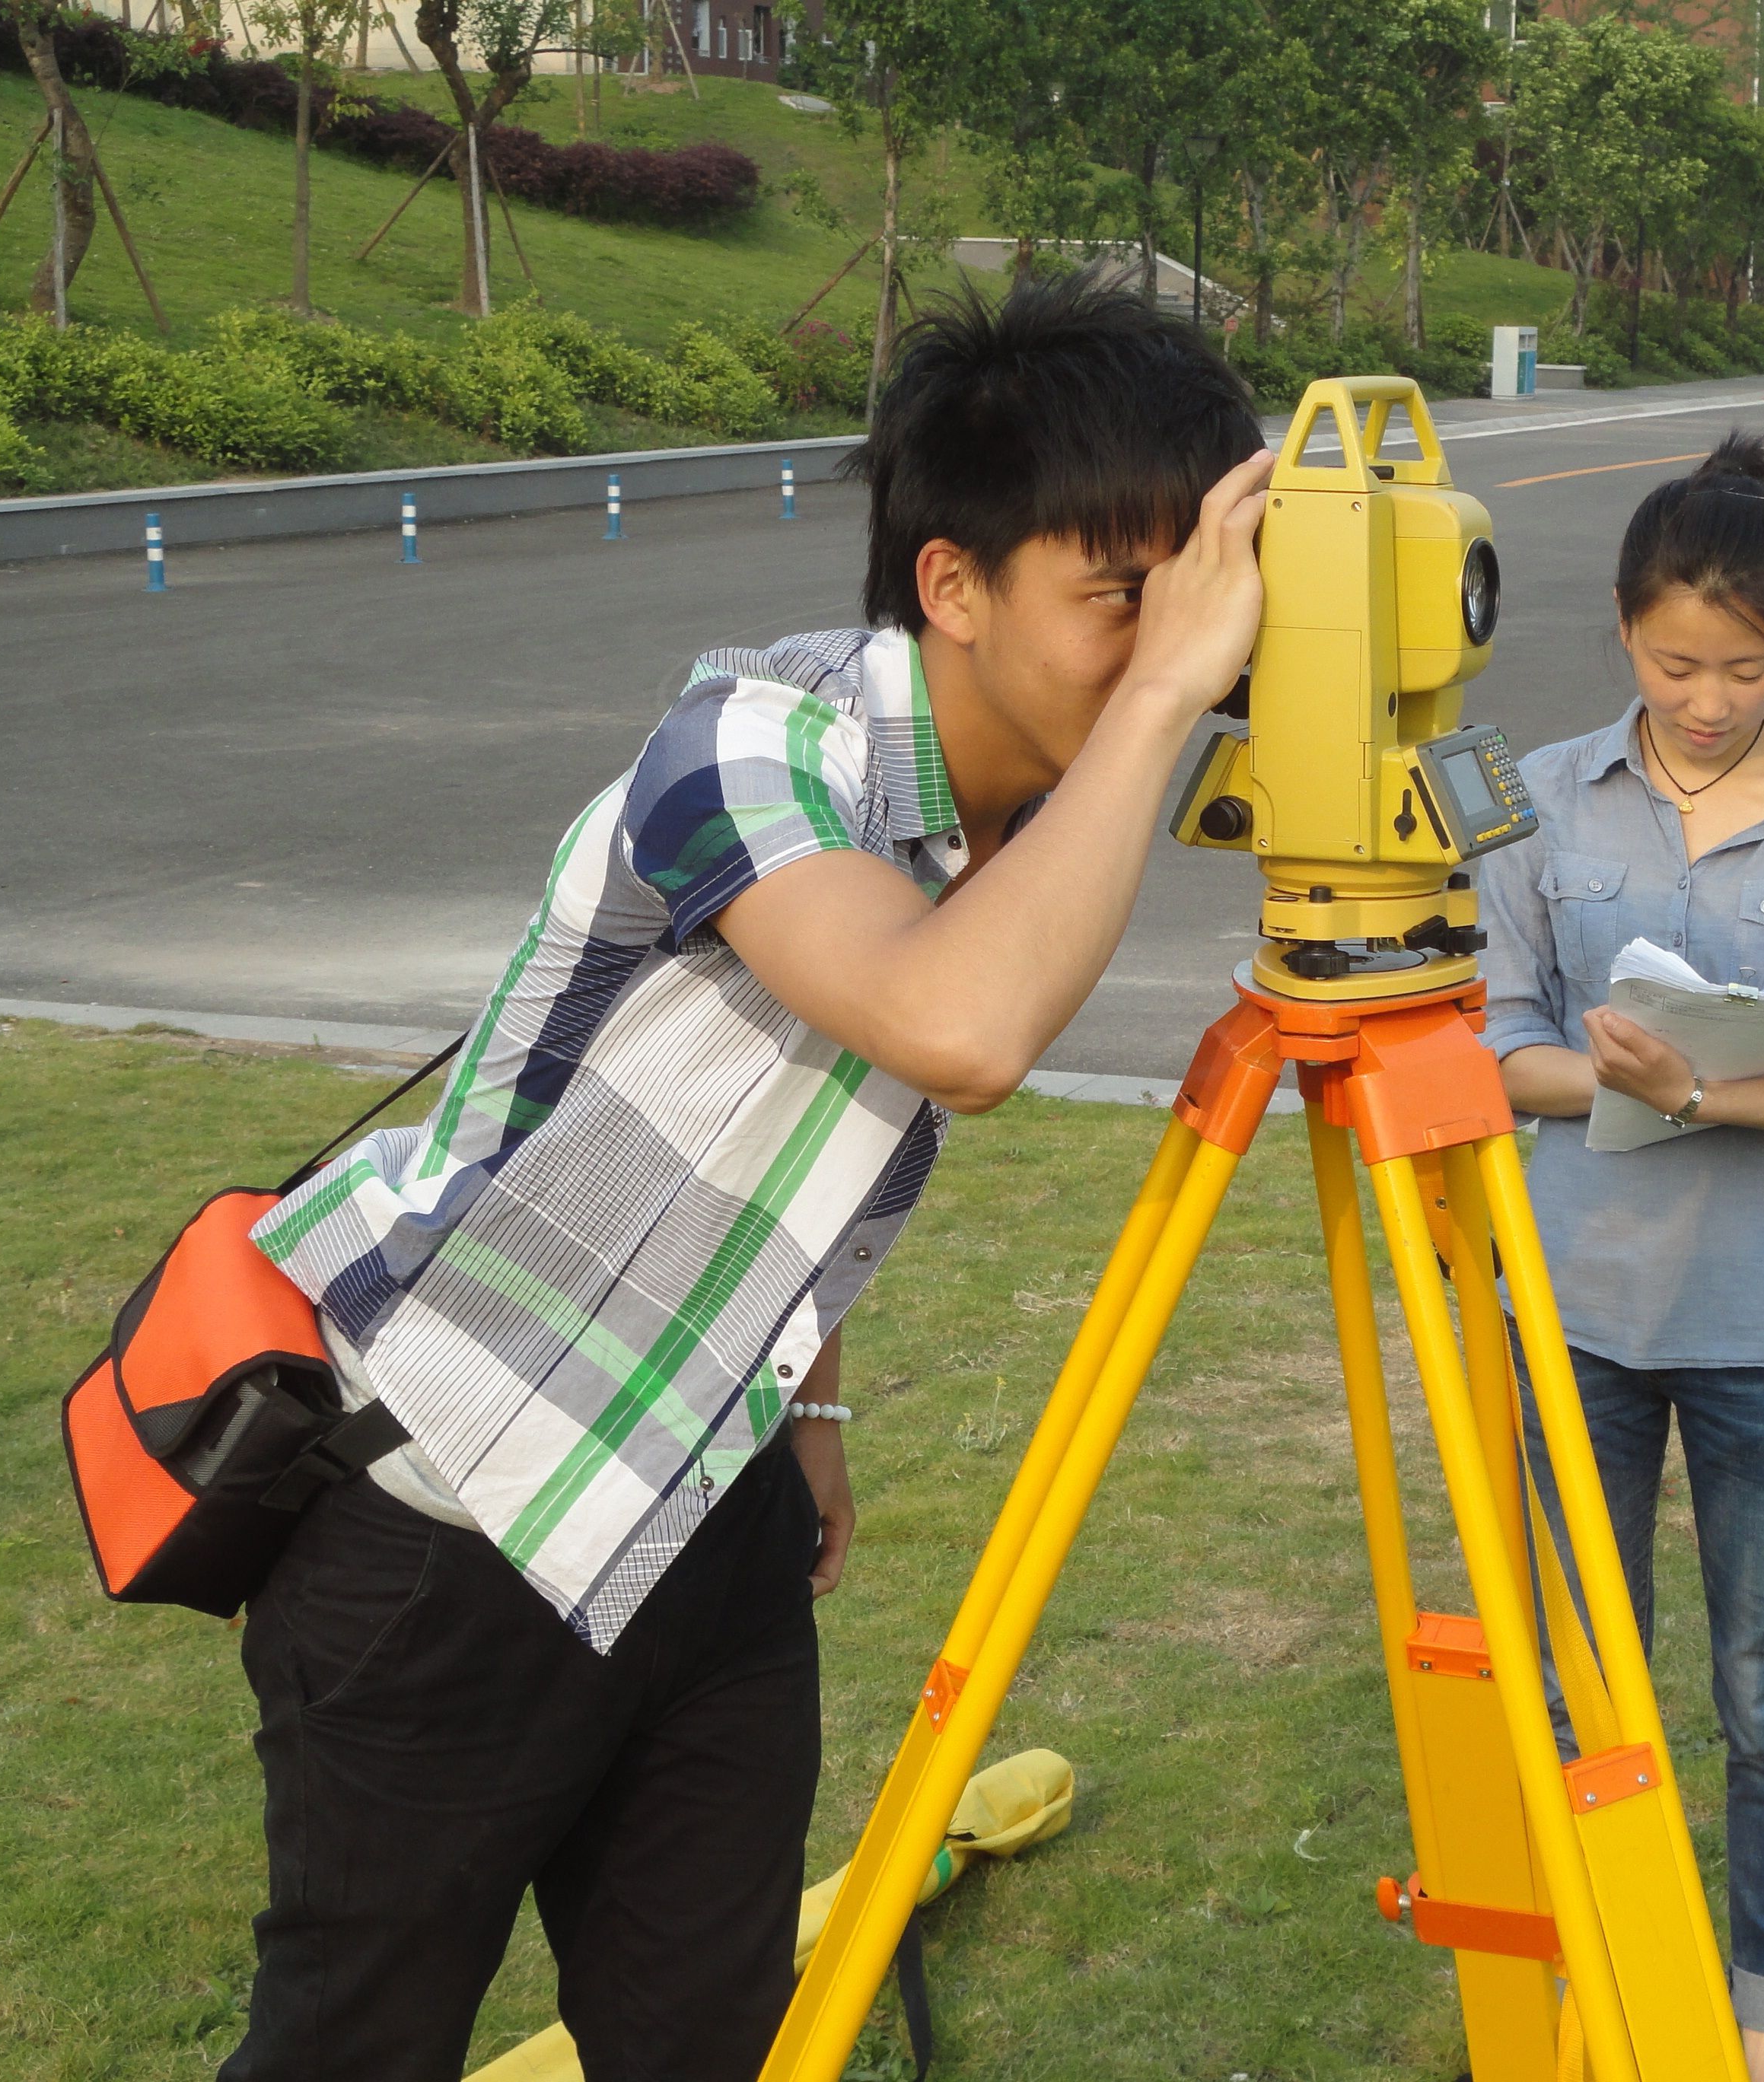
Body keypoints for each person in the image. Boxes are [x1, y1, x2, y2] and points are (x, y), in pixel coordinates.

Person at [230, 278, 1273, 2080]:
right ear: (953, 583)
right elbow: (955, 1031)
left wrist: (818, 1416)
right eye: (1121, 595)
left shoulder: (1007, 814)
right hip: (454, 1520)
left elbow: (793, 1124)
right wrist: (1170, 688)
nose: (1178, 643)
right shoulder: (753, 743)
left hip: (701, 1510)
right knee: (355, 2047)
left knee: (703, 2040)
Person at [1476, 433, 1764, 2081]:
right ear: (1621, 632)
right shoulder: (1534, 793)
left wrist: (1703, 1091)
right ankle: (1582, 1984)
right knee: (1577, 1684)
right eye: (1678, 662)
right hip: (1577, 1303)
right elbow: (1495, 1038)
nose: (1710, 696)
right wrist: (1618, 1077)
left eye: (1748, 665)